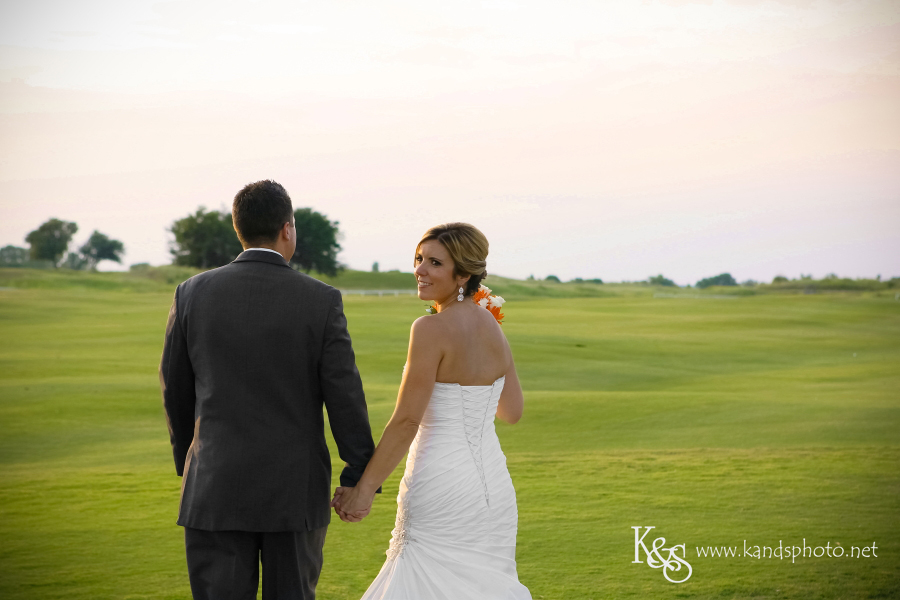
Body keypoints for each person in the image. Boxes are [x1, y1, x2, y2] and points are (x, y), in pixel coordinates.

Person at [159, 179, 379, 600]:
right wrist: (356, 471)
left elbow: (175, 388)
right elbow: (344, 393)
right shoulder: (321, 299)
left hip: (214, 485)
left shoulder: (191, 293)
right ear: (287, 228)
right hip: (294, 492)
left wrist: (191, 463)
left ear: (238, 228)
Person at [332, 223, 532, 599]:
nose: (420, 270)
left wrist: (363, 491)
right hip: (492, 486)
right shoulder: (492, 324)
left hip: (440, 482)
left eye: (435, 263)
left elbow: (407, 421)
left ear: (464, 274)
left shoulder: (429, 328)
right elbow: (512, 411)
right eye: (419, 259)